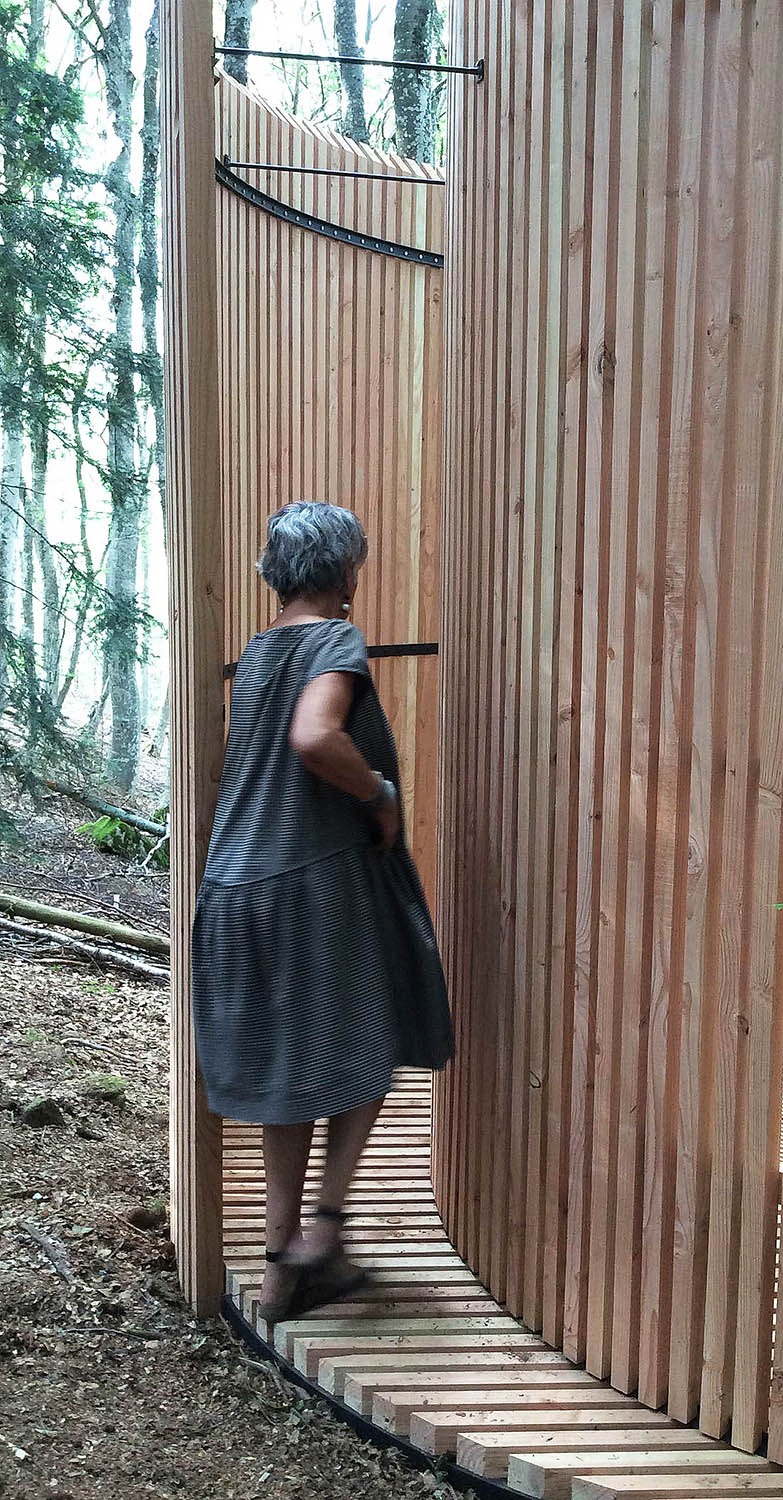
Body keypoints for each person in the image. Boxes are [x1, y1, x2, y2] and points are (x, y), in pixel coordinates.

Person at [191, 500, 453, 1323]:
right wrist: (379, 795)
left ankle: (281, 1271)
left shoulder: (259, 651)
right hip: (309, 884)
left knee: (290, 1075)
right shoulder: (332, 639)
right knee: (372, 1039)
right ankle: (327, 1233)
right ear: (345, 571)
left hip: (233, 888)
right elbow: (314, 737)